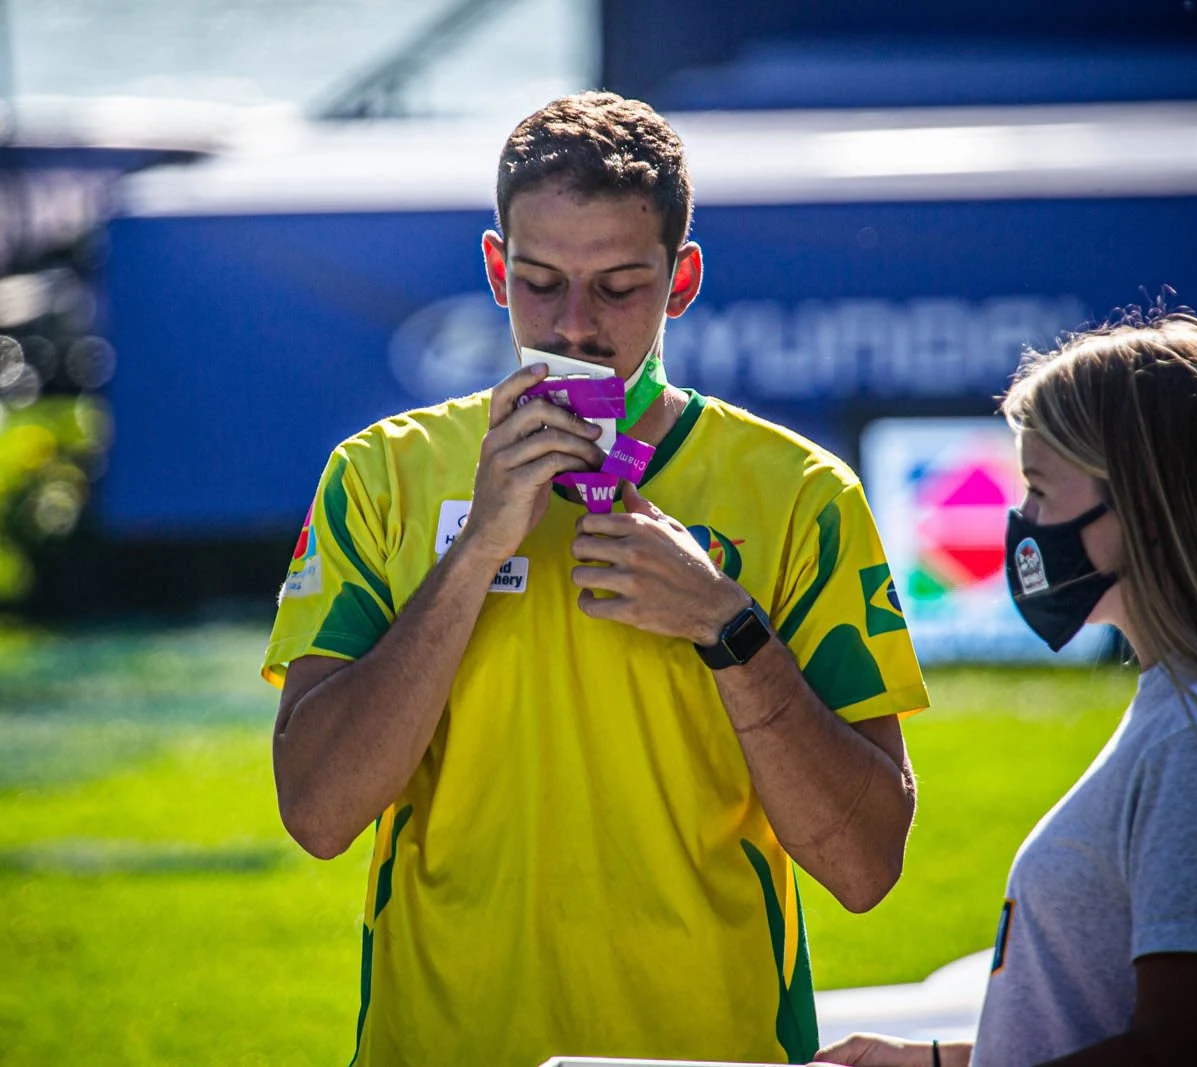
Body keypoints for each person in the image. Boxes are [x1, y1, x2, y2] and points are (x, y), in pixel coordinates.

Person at [263, 92, 927, 1066]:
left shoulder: (798, 492)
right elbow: (317, 811)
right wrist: (479, 544)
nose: (574, 327)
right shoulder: (381, 472)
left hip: (712, 1049)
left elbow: (865, 865)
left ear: (681, 278)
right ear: (495, 269)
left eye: (618, 286)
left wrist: (729, 628)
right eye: (540, 282)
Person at [820, 311, 1197, 1067]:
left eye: (1041, 490)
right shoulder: (1190, 712)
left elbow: (1180, 1051)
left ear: (1145, 508)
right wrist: (939, 1061)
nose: (1023, 522)